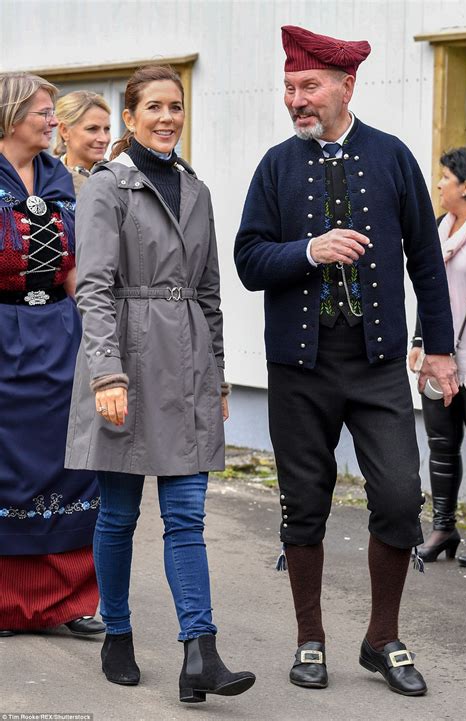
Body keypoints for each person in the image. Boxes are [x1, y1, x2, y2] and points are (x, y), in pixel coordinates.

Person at [234, 26, 458, 697]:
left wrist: (440, 349)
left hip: (378, 363)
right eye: (290, 88)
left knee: (396, 495)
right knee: (303, 503)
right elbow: (248, 260)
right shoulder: (276, 165)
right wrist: (308, 249)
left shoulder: (390, 157)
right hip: (300, 369)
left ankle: (381, 637)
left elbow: (425, 259)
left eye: (308, 87)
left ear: (345, 87)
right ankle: (311, 637)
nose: (296, 99)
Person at [65, 64, 256, 700]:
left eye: (177, 105)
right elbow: (92, 287)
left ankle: (200, 651)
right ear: (131, 116)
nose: (169, 117)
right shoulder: (107, 187)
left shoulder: (196, 189)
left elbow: (209, 292)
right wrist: (106, 373)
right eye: (155, 107)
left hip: (190, 364)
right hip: (126, 361)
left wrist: (221, 377)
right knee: (119, 513)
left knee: (185, 512)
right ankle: (117, 632)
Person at [0, 72, 104, 637]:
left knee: (69, 464)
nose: (51, 121)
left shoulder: (55, 173)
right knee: (7, 468)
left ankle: (69, 601)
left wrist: (95, 334)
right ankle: (7, 604)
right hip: (2, 330)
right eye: (43, 112)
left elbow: (71, 265)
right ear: (12, 114)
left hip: (58, 332)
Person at [409, 147, 466, 566]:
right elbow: (427, 292)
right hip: (440, 357)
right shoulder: (439, 228)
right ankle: (443, 527)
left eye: (445, 178)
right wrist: (419, 340)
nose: (438, 185)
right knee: (441, 445)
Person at [53, 90, 111, 194]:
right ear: (64, 131)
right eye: (92, 129)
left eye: (107, 129)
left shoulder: (120, 177)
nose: (104, 139)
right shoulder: (45, 178)